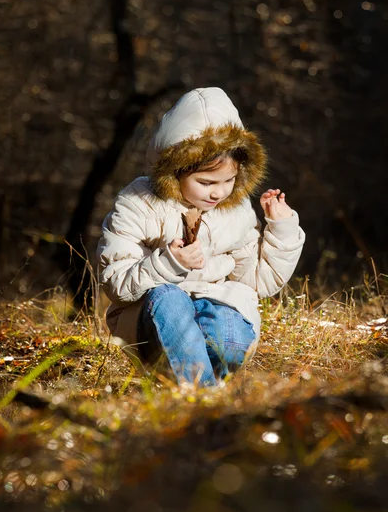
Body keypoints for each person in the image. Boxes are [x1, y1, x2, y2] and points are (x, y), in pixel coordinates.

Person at [97, 87, 305, 386]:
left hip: (217, 304)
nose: (219, 192)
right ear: (176, 171)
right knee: (169, 298)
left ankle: (192, 383)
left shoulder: (235, 209)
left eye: (229, 181)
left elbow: (259, 282)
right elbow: (116, 283)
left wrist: (281, 228)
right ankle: (203, 399)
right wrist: (166, 264)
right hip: (152, 315)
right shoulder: (138, 203)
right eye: (206, 182)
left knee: (229, 337)